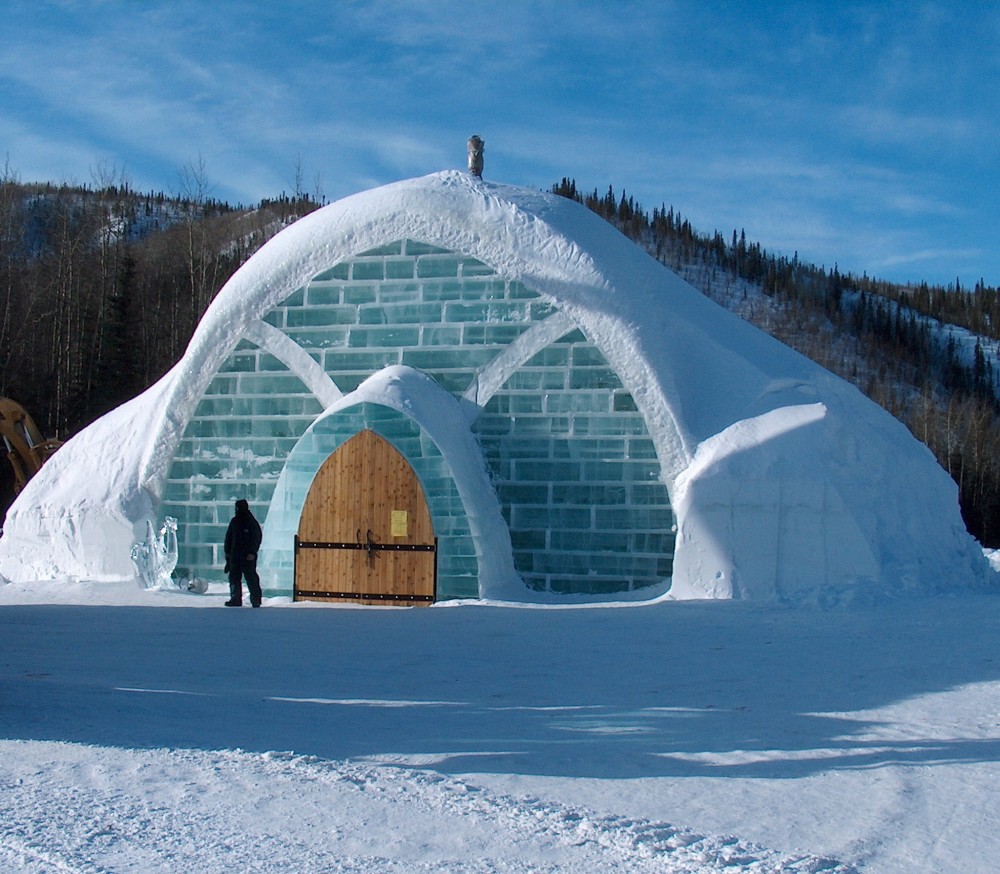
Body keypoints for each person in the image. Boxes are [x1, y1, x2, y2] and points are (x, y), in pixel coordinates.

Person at [224, 499, 263, 607]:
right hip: (235, 555)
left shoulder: (251, 522)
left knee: (251, 577)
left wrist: (252, 552)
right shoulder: (235, 521)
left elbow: (256, 538)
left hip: (247, 556)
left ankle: (256, 599)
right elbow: (229, 538)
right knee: (234, 577)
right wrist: (227, 552)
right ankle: (235, 598)